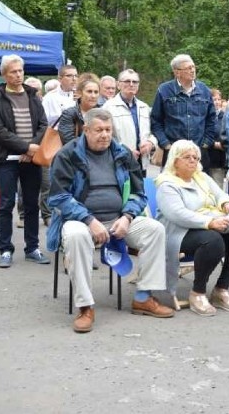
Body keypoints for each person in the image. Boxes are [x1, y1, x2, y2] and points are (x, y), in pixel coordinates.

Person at [47, 108, 174, 332]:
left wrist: (127, 217)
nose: (105, 135)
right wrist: (88, 219)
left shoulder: (122, 153)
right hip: (81, 220)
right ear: (86, 130)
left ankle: (143, 297)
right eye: (99, 130)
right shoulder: (68, 155)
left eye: (108, 130)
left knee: (155, 229)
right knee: (76, 235)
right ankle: (85, 306)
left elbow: (138, 193)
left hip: (118, 219)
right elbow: (59, 197)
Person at [156, 140, 229, 316]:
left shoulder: (202, 177)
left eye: (195, 157)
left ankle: (221, 288)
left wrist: (228, 206)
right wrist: (209, 223)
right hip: (178, 231)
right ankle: (198, 292)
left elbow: (220, 194)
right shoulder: (166, 184)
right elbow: (178, 214)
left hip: (209, 224)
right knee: (212, 240)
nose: (193, 160)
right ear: (175, 160)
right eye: (187, 157)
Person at [0, 54, 49, 268]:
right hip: (6, 159)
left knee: (32, 203)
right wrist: (25, 147)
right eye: (13, 71)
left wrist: (32, 148)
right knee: (6, 204)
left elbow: (43, 125)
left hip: (31, 160)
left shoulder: (34, 97)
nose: (18, 74)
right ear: (4, 75)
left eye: (20, 70)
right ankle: (5, 250)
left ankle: (32, 247)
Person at [151, 54, 218, 172]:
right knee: (172, 187)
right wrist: (166, 144)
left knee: (201, 187)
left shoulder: (204, 90)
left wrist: (206, 143)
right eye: (188, 68)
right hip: (173, 154)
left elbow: (212, 120)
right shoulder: (164, 90)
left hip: (199, 153)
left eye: (193, 67)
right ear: (177, 72)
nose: (192, 70)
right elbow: (156, 121)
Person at [104, 69, 158, 170]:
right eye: (127, 81)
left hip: (141, 163)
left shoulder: (144, 107)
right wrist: (126, 152)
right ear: (118, 84)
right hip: (119, 163)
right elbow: (106, 137)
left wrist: (151, 143)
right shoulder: (108, 107)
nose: (131, 84)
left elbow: (155, 130)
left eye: (135, 82)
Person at [57, 74, 101, 144]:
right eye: (89, 91)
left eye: (96, 92)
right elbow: (69, 143)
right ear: (79, 93)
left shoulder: (103, 112)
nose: (93, 96)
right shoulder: (69, 114)